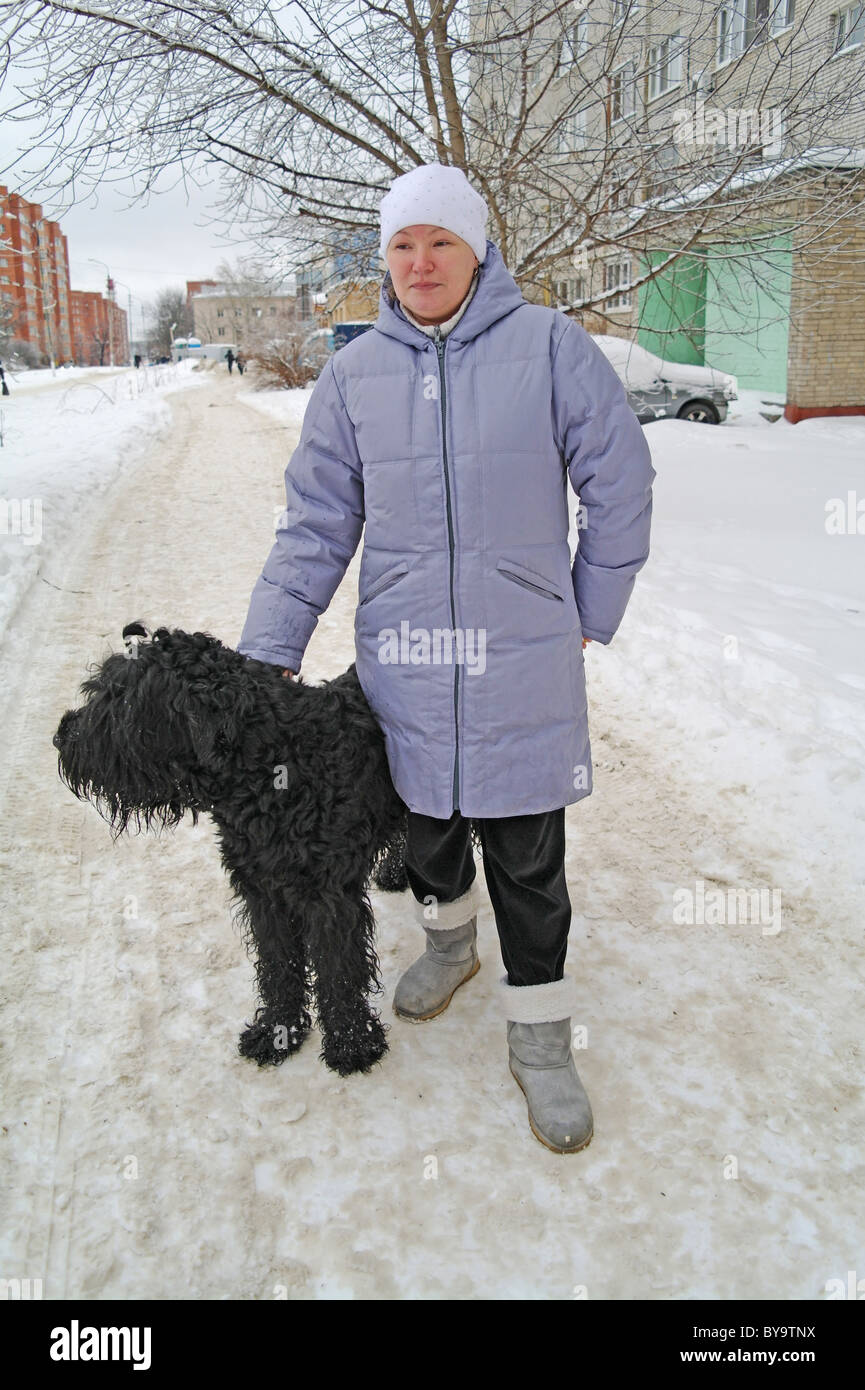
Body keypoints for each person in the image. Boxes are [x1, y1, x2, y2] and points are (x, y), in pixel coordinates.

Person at [237, 163, 655, 1153]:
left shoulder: (551, 348)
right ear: (384, 258)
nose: (421, 262)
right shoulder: (351, 377)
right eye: (402, 244)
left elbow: (622, 482)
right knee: (423, 835)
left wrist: (587, 607)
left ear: (478, 250)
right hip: (406, 662)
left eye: (441, 242)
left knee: (526, 857)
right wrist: (268, 651)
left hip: (521, 660)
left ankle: (542, 1036)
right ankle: (449, 945)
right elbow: (315, 525)